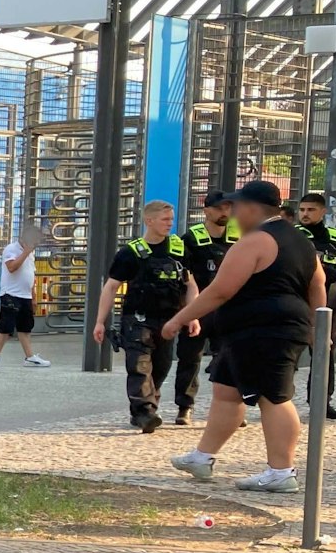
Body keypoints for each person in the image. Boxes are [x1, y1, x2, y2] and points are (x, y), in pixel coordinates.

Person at [164, 180, 324, 492]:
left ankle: (281, 471)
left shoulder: (255, 241)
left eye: (235, 207)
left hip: (264, 331)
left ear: (252, 208)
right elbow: (317, 283)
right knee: (227, 388)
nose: (231, 213)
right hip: (269, 329)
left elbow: (221, 289)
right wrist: (318, 325)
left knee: (273, 397)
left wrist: (180, 318)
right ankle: (202, 456)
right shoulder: (299, 239)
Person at [93, 201, 198, 433]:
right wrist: (100, 321)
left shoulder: (179, 250)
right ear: (149, 221)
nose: (170, 223)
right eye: (165, 219)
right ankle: (145, 412)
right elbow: (111, 287)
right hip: (137, 319)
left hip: (169, 319)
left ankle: (144, 408)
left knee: (161, 366)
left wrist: (193, 316)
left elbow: (191, 285)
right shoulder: (130, 253)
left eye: (171, 219)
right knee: (140, 366)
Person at [176, 190, 235, 423]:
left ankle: (230, 409)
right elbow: (182, 278)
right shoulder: (190, 239)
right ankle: (185, 407)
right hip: (198, 308)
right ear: (206, 211)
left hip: (229, 309)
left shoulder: (241, 237)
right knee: (189, 358)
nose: (224, 212)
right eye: (219, 208)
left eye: (228, 208)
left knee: (230, 358)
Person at [294, 191, 336, 419]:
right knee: (290, 351)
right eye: (302, 209)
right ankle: (277, 400)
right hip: (297, 300)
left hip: (327, 303)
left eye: (311, 210)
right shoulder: (293, 236)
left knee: (325, 352)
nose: (305, 214)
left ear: (323, 212)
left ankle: (322, 401)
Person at [0, 223, 52, 369]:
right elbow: (12, 268)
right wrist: (25, 253)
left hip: (25, 296)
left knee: (25, 327)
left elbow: (31, 275)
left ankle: (29, 357)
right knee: (6, 327)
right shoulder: (11, 249)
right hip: (10, 294)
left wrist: (33, 296)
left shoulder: (31, 254)